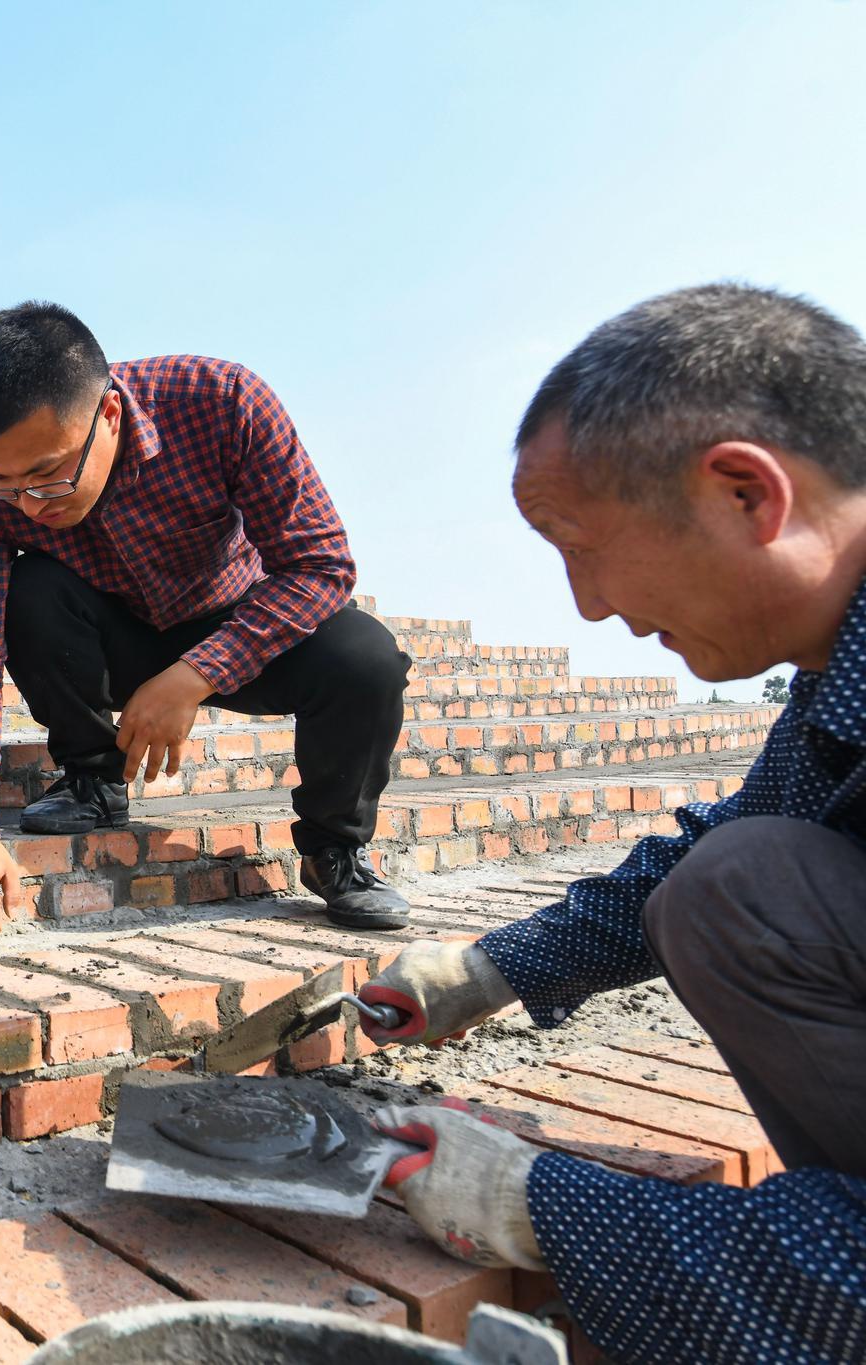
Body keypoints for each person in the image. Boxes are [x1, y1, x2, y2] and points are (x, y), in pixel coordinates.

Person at [360, 284, 866, 1365]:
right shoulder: (841, 676)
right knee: (738, 881)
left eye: (577, 545)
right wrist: (486, 971)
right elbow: (727, 846)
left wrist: (542, 1206)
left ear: (742, 494)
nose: (586, 607)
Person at [0, 301, 413, 945]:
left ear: (107, 413)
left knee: (368, 658)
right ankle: (92, 780)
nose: (27, 504)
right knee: (30, 589)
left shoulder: (220, 400)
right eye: (3, 482)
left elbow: (319, 567)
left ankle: (336, 852)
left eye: (47, 477)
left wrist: (194, 676)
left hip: (238, 624)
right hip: (115, 636)